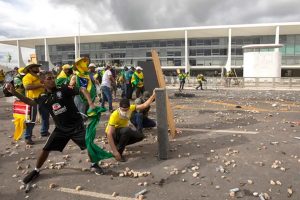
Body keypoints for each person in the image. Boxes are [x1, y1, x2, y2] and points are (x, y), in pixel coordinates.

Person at [5, 72, 110, 184]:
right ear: (42, 82)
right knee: (45, 150)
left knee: (89, 145)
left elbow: (83, 89)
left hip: (76, 126)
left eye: (53, 78)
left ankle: (94, 164)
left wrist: (91, 103)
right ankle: (36, 170)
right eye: (49, 78)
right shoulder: (43, 97)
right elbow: (30, 102)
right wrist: (14, 92)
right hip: (61, 129)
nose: (52, 80)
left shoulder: (63, 88)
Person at [106, 92, 155, 162]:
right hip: (113, 134)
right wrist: (115, 151)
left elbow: (144, 105)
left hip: (122, 131)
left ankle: (120, 144)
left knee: (140, 136)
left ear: (129, 107)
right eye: (123, 110)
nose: (125, 112)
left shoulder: (131, 108)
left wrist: (153, 95)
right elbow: (109, 133)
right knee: (127, 130)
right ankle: (119, 152)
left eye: (126, 110)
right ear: (119, 107)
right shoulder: (115, 115)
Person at [22, 63, 50, 145]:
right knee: (31, 119)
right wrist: (41, 85)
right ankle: (27, 137)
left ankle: (44, 131)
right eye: (36, 67)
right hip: (32, 99)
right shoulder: (27, 77)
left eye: (38, 67)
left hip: (42, 97)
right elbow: (27, 87)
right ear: (30, 69)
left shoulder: (37, 76)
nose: (38, 68)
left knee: (45, 115)